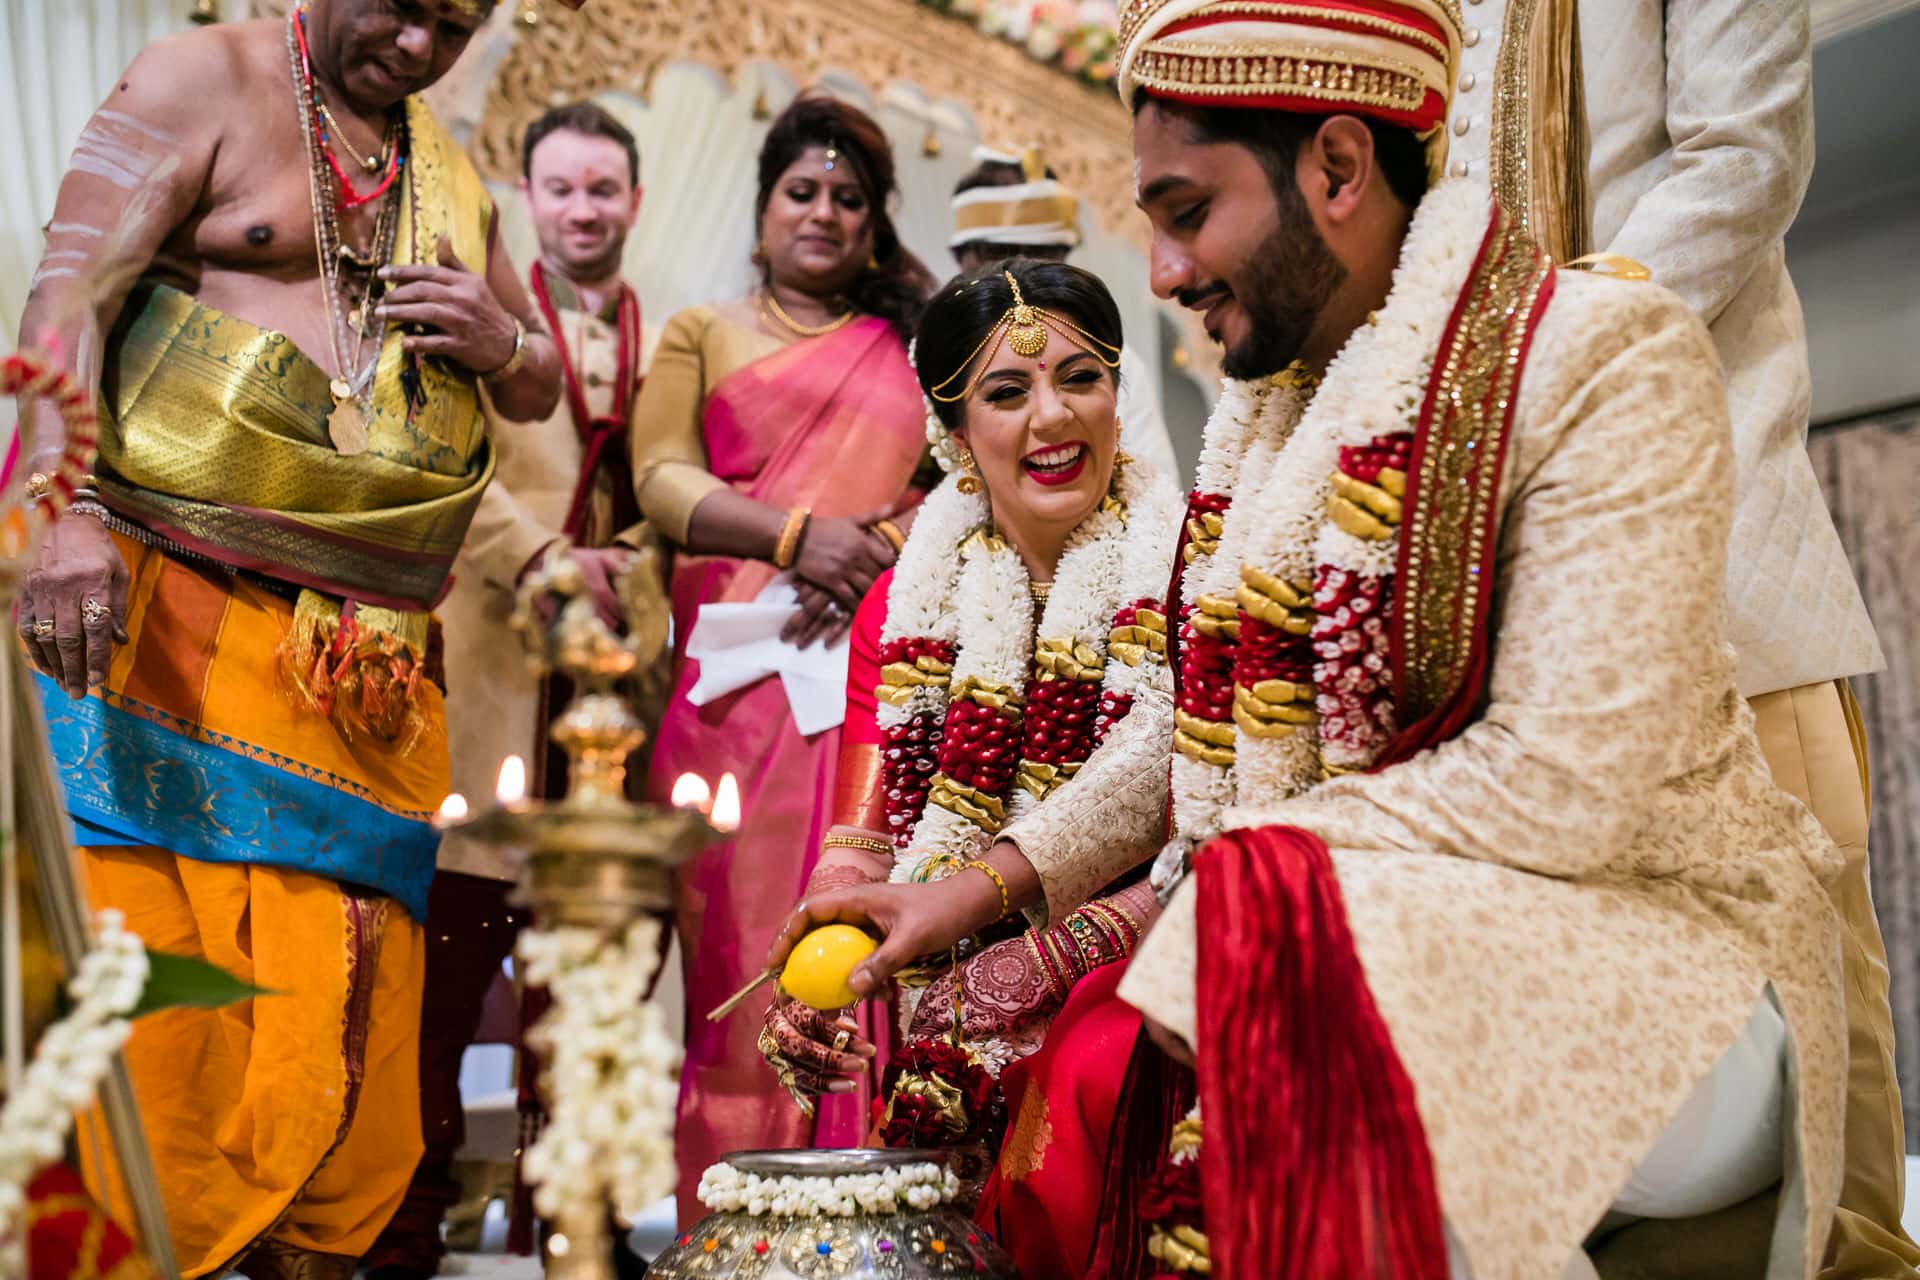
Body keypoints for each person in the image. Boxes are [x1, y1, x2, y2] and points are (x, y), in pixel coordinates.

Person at [772, 0, 1863, 1274]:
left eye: (1187, 213)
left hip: (1656, 982)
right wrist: (966, 893)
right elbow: (1183, 755)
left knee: (1263, 1014)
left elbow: (1559, 784)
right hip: (1383, 951)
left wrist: (1217, 898)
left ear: (1338, 168)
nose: (1165, 272)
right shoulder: (1269, 431)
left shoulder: (1594, 358)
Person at [11, 2, 564, 1276]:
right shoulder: (203, 73)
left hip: (362, 671)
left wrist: (507, 341)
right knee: (165, 1024)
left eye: (455, 23)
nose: (420, 49)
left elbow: (528, 383)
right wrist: (62, 504)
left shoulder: (452, 178)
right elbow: (67, 294)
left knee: (353, 1030)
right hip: (164, 620)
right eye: (402, 8)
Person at [753, 259, 1182, 1274]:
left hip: (1162, 938)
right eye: (1007, 391)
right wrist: (828, 949)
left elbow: (1175, 787)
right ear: (951, 434)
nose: (1052, 417)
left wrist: (1014, 922)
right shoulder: (903, 605)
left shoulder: (1190, 560)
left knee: (1074, 1077)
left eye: (1081, 378)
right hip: (950, 979)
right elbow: (864, 835)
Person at [360, 98, 653, 1280]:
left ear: (635, 201)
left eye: (606, 188)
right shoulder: (481, 316)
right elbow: (430, 463)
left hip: (606, 698)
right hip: (485, 674)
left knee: (592, 978)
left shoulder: (656, 330)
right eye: (564, 187)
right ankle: (407, 1226)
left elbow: (669, 491)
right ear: (528, 200)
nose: (586, 208)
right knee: (447, 980)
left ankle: (578, 1221)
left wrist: (639, 574)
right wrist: (539, 553)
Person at [632, 93, 938, 1225]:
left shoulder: (909, 344)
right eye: (801, 191)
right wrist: (801, 536)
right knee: (735, 960)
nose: (823, 213)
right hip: (732, 692)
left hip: (867, 681)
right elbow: (657, 480)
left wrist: (879, 547)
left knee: (865, 945)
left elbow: (956, 485)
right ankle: (733, 1220)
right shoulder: (701, 330)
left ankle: (869, 1215)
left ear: (874, 222)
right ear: (763, 207)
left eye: (848, 198)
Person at [949, 145, 1184, 486]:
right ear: (960, 260)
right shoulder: (929, 358)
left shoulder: (1110, 359)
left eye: (1041, 258)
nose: (1020, 280)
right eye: (1001, 257)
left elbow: (1156, 490)